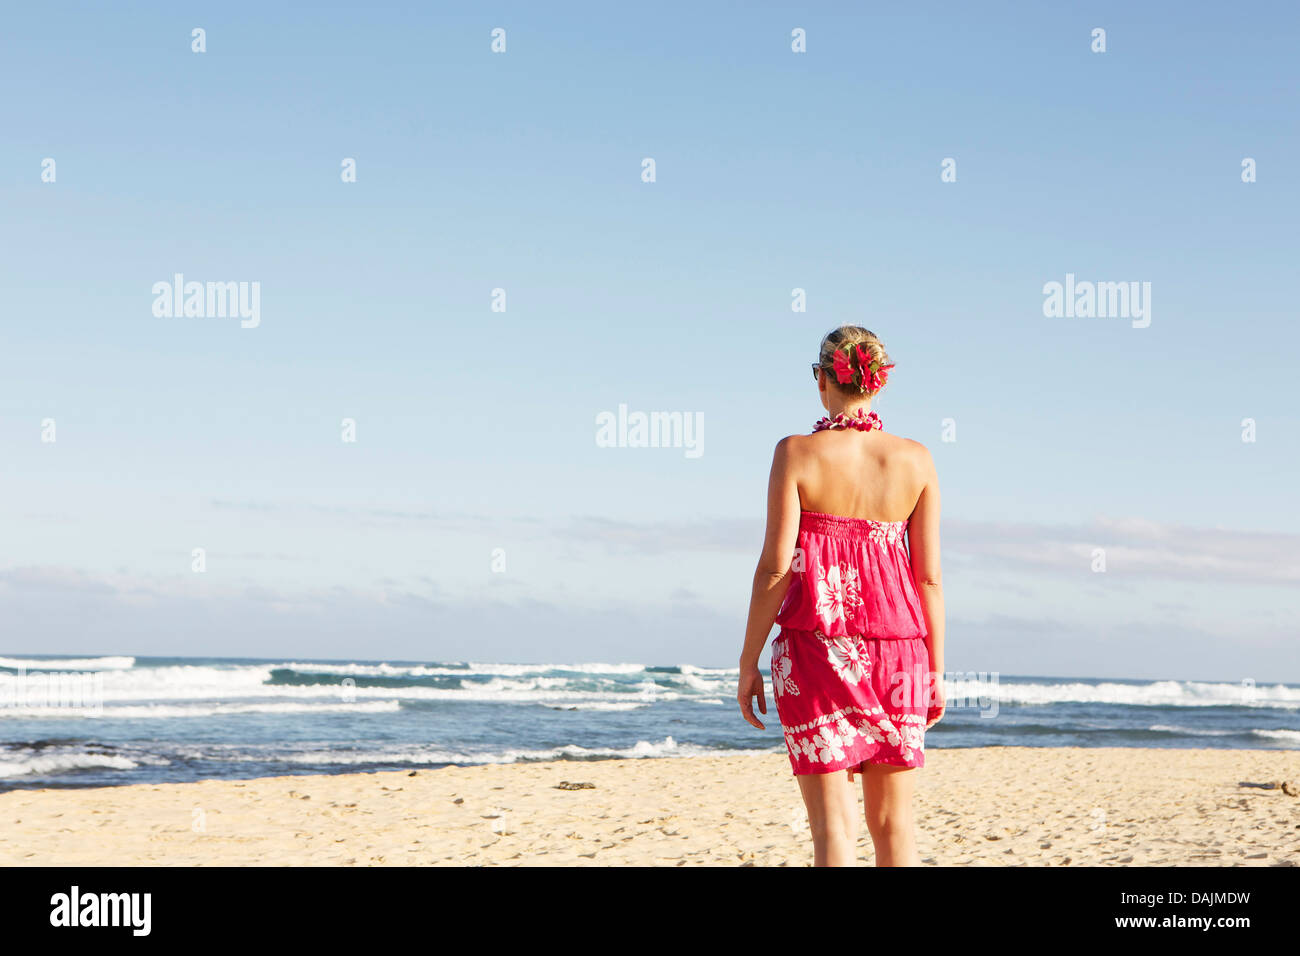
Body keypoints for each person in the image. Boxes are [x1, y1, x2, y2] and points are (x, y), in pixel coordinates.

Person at [737, 325, 945, 867]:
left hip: (817, 649)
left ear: (823, 379)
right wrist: (936, 671)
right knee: (894, 828)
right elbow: (928, 579)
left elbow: (775, 567)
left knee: (834, 830)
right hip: (900, 651)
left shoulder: (797, 452)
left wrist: (747, 662)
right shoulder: (916, 460)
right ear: (878, 384)